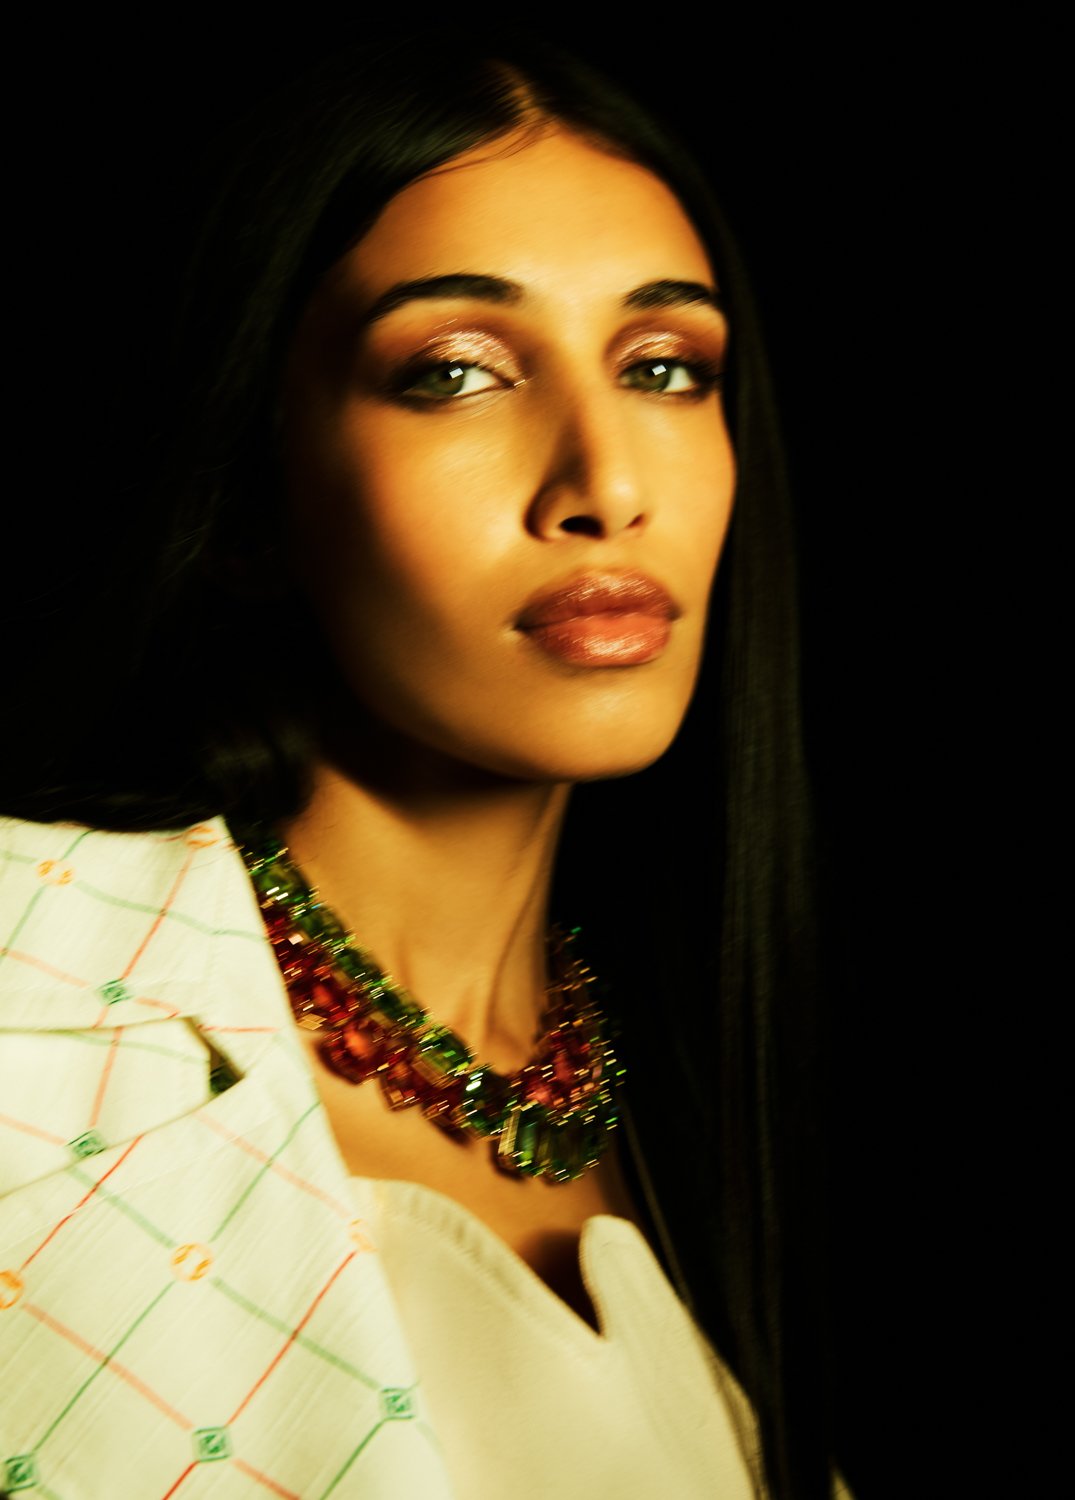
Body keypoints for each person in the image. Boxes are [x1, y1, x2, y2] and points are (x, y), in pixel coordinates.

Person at [0, 27, 844, 1499]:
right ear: (255, 488)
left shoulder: (719, 1105)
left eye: (663, 366)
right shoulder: (30, 992)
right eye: (454, 373)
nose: (606, 484)